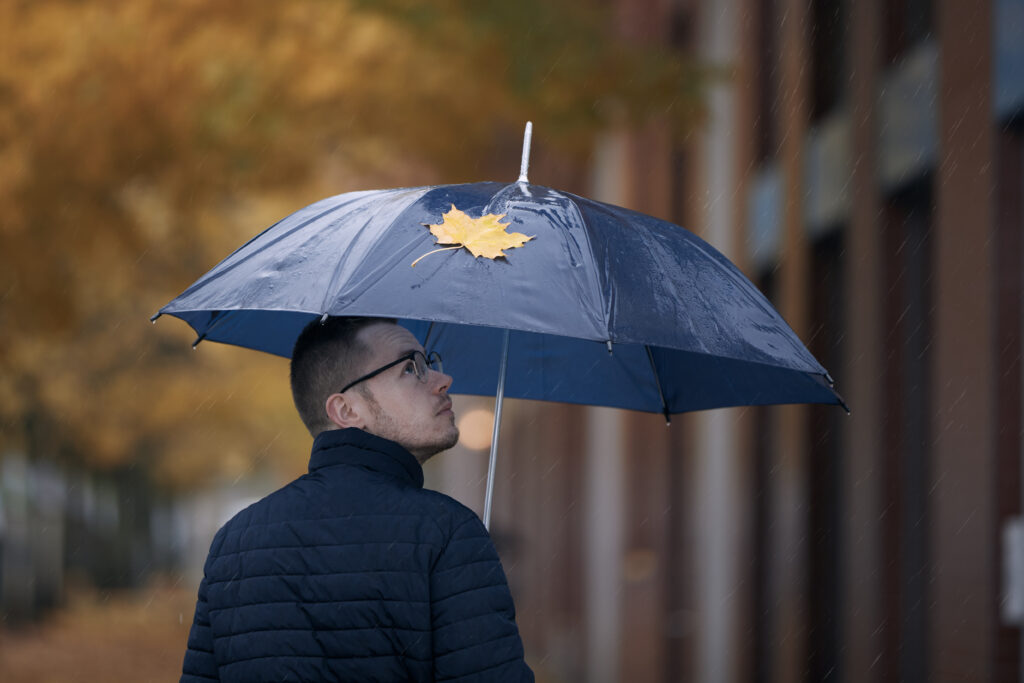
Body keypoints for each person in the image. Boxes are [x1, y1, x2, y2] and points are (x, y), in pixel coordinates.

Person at [180, 316, 534, 682]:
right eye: (411, 368)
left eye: (430, 363)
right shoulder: (448, 533)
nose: (443, 380)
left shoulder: (235, 542)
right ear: (347, 410)